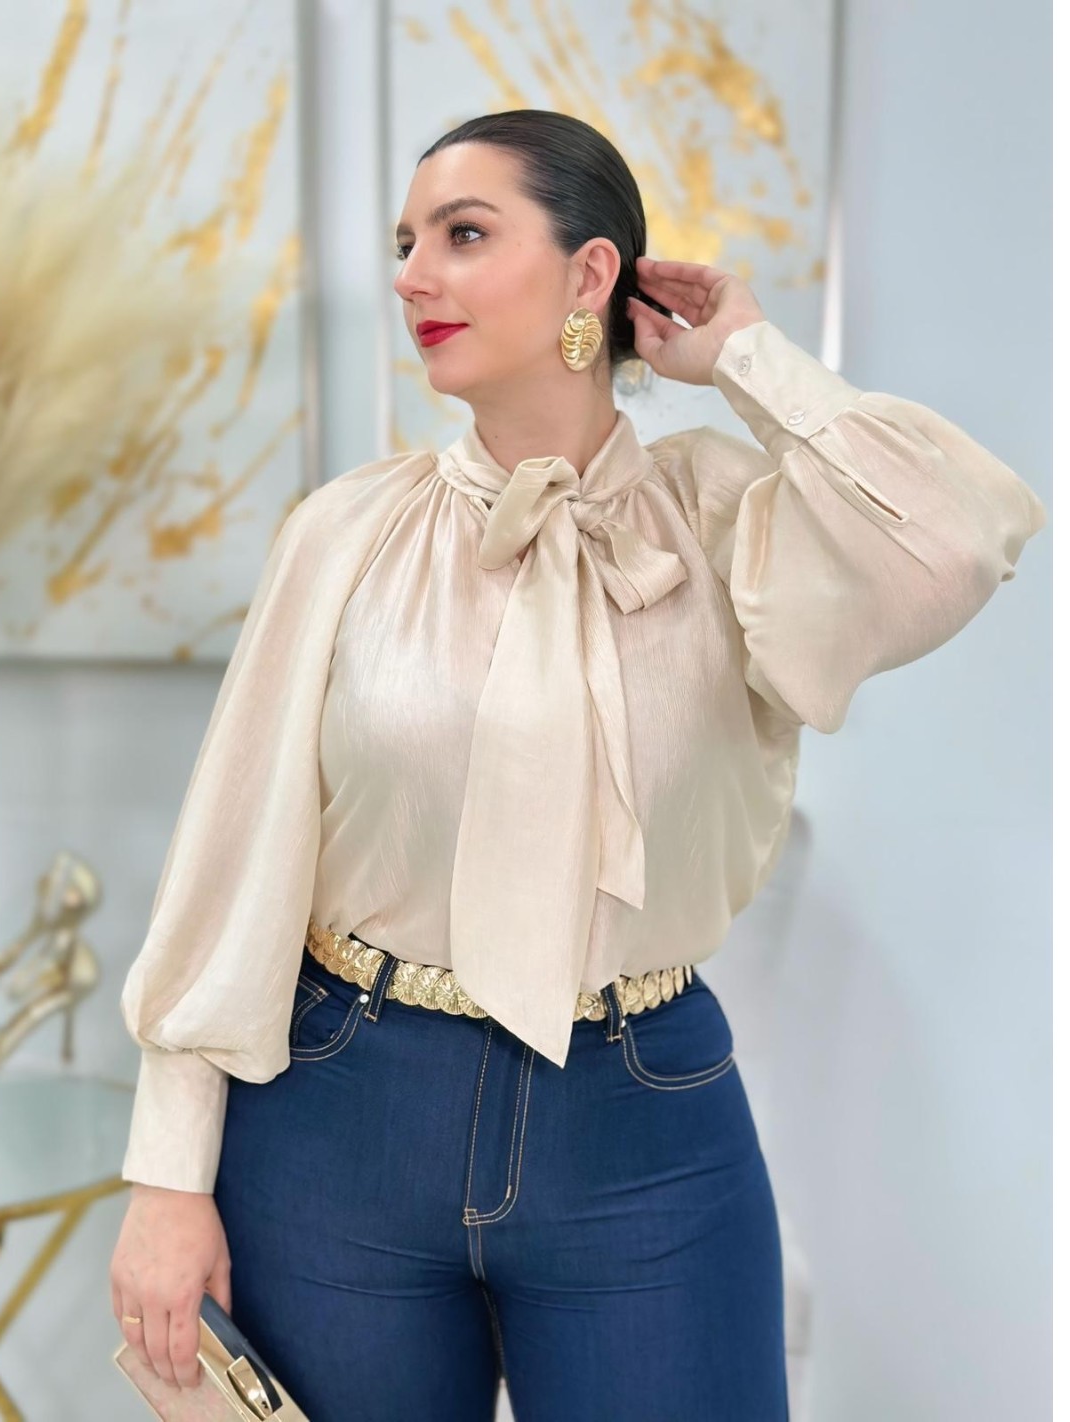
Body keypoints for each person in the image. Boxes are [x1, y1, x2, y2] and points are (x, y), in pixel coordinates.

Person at [109, 109, 1046, 1421]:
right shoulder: (345, 534)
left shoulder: (726, 519)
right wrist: (166, 1173)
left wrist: (745, 359)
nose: (413, 275)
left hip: (639, 1121)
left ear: (591, 273)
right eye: (405, 243)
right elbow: (233, 856)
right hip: (340, 1118)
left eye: (464, 234)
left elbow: (960, 536)